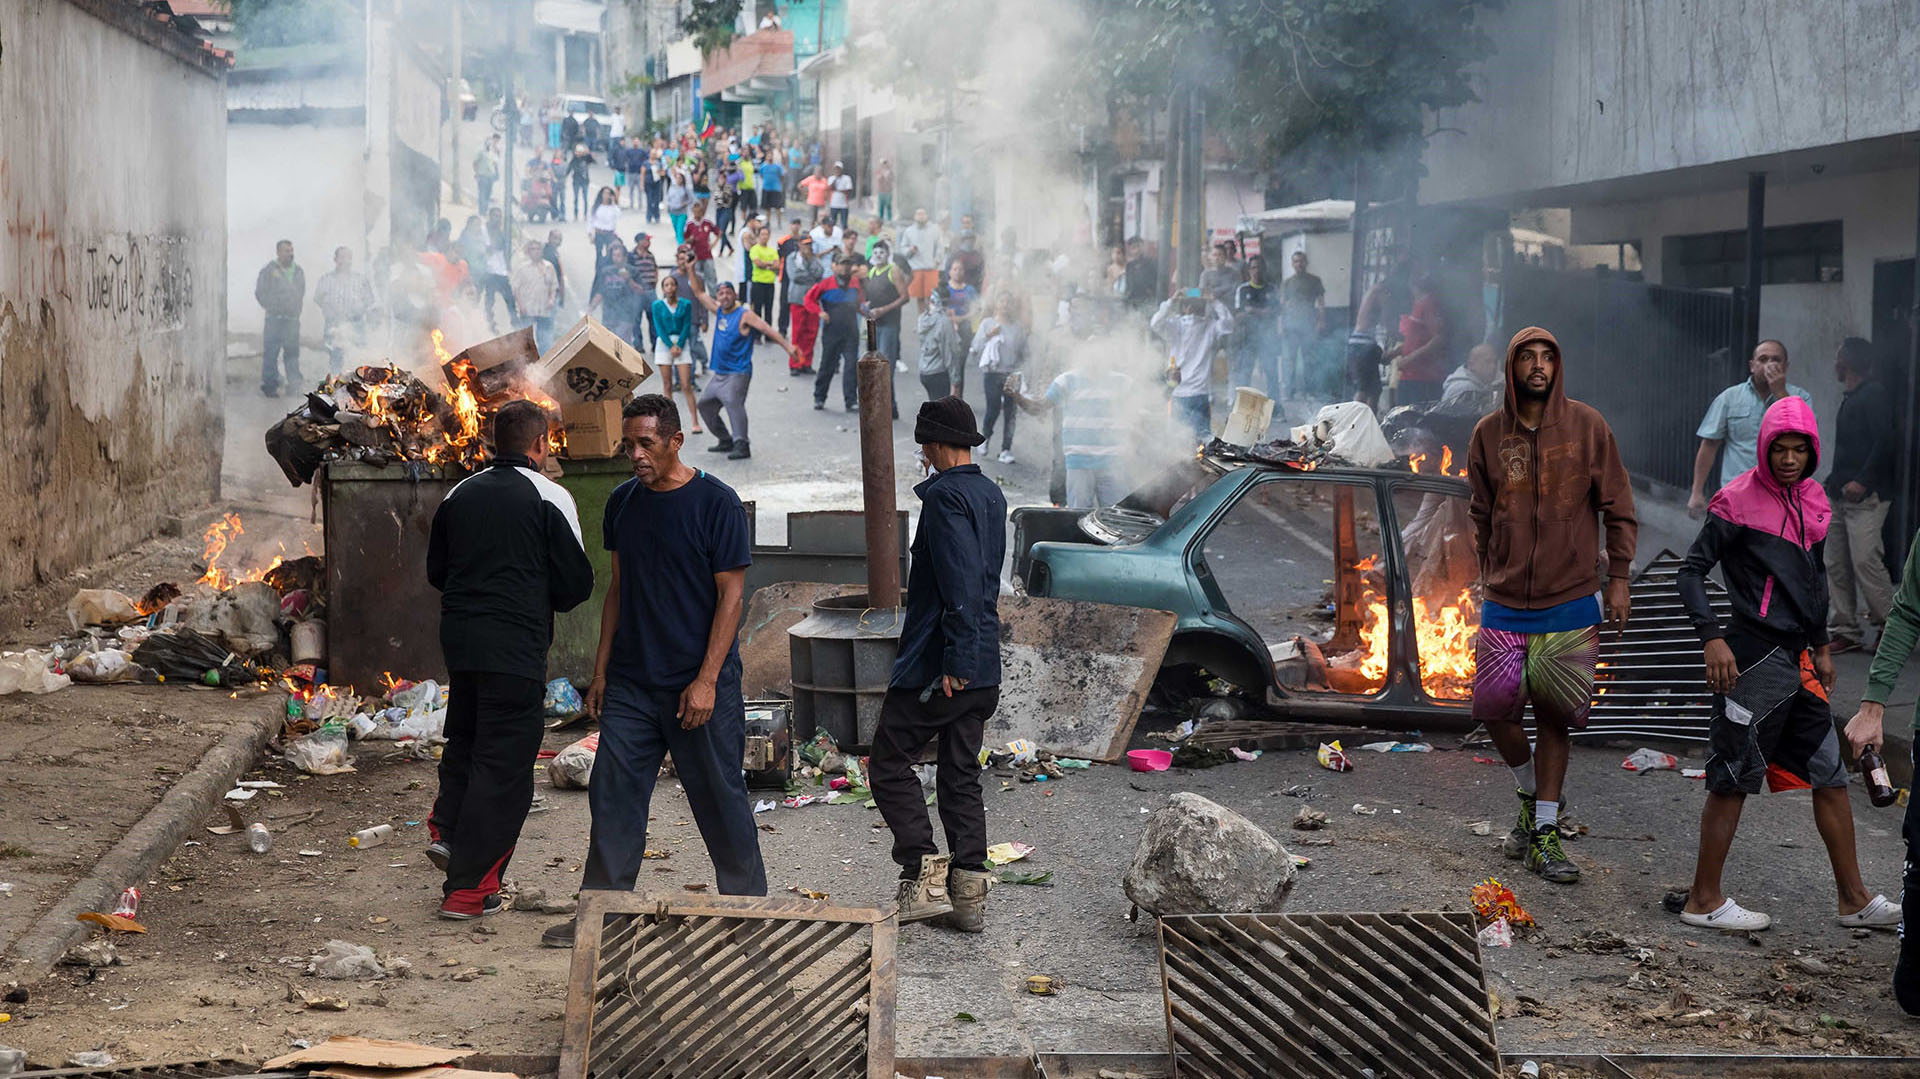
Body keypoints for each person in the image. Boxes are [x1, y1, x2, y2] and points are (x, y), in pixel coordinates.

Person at [542, 394, 768, 948]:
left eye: (646, 443)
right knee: (613, 796)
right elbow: (617, 589)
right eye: (628, 444)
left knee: (719, 796)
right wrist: (600, 672)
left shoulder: (717, 504)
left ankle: (746, 912)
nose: (635, 455)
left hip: (698, 684)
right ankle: (604, 915)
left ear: (674, 441)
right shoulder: (623, 503)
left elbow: (731, 598)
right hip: (634, 686)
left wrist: (707, 680)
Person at [1675, 396, 1898, 933]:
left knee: (1829, 773)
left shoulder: (1813, 499)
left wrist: (1821, 645)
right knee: (1732, 775)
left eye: (1801, 449)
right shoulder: (1735, 501)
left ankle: (1855, 900)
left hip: (1799, 662)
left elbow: (1814, 579)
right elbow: (1691, 572)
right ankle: (1704, 899)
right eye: (1782, 449)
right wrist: (1712, 639)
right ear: (1764, 448)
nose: (1791, 459)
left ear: (1812, 453)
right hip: (1749, 659)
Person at [1467, 326, 1636, 885]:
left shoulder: (1589, 427)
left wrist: (1617, 577)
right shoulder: (1489, 434)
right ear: (1512, 368)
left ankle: (1544, 833)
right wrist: (1487, 570)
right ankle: (1531, 791)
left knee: (1556, 716)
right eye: (1527, 358)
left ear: (1557, 367)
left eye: (1547, 357)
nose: (1538, 366)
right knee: (1493, 707)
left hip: (1570, 599)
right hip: (1505, 597)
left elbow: (1618, 506)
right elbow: (1481, 513)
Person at [426, 400, 595, 919]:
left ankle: (448, 831)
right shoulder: (551, 496)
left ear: (492, 442)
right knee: (504, 763)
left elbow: (437, 571)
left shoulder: (458, 493)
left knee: (468, 738)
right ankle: (470, 890)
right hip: (515, 650)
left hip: (461, 644)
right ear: (542, 444)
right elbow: (576, 586)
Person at [869, 396, 1008, 930]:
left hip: (943, 665)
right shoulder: (990, 493)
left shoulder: (946, 499)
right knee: (959, 772)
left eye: (923, 444)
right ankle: (968, 893)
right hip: (982, 663)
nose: (922, 453)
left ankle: (923, 874)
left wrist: (954, 660)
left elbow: (960, 583)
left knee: (887, 761)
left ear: (932, 444)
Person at [1825, 337, 1898, 653]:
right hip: (1840, 496)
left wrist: (1863, 481)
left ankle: (1894, 626)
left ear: (1848, 362)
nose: (1835, 363)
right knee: (1836, 562)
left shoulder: (1874, 395)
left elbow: (1885, 444)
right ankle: (1845, 629)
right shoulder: (1851, 397)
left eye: (1838, 357)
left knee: (1866, 559)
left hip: (1867, 497)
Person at [1688, 340, 1812, 517]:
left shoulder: (1800, 398)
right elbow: (1709, 445)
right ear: (1752, 366)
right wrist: (1696, 492)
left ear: (1785, 366)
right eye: (1763, 359)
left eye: (1776, 360)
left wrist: (1780, 393)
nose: (1769, 365)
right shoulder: (1729, 398)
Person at [685, 275, 802, 461]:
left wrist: (788, 348)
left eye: (728, 293)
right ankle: (726, 440)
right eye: (721, 293)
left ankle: (742, 444)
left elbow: (766, 329)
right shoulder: (720, 311)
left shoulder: (744, 314)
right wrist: (691, 267)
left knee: (732, 402)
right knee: (705, 405)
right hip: (720, 373)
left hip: (738, 372)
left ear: (735, 295)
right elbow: (698, 292)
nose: (724, 296)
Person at [1006, 355, 1133, 509]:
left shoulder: (1123, 382)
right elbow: (1039, 408)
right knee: (1079, 518)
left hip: (1113, 462)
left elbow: (1140, 414)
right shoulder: (1066, 381)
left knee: (1115, 519)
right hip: (1079, 461)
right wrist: (1017, 396)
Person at [1149, 288, 1233, 444]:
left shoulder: (1175, 325)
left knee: (1177, 444)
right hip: (1199, 394)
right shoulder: (1210, 326)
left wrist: (1171, 301)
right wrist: (1214, 301)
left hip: (1178, 393)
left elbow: (1155, 323)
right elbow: (1228, 323)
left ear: (1185, 308)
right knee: (1202, 442)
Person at [971, 293, 1029, 464]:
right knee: (993, 408)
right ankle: (985, 438)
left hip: (1011, 373)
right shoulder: (987, 323)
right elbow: (975, 347)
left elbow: (1024, 352)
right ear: (996, 304)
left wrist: (1023, 372)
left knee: (1011, 412)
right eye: (1002, 301)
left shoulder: (1017, 327)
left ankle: (1006, 449)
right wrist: (988, 335)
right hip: (992, 372)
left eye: (1008, 302)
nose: (1005, 305)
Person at [805, 253, 866, 412]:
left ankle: (851, 401)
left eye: (848, 264)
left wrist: (867, 312)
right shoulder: (825, 284)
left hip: (851, 331)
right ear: (835, 266)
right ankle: (819, 397)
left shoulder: (855, 283)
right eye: (842, 264)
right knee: (827, 365)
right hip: (832, 331)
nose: (845, 267)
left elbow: (861, 303)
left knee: (852, 366)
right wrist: (819, 312)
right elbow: (808, 300)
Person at [650, 273, 702, 434]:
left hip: (681, 342)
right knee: (667, 385)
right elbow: (658, 328)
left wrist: (678, 345)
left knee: (686, 385)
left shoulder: (685, 304)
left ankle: (695, 421)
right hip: (664, 344)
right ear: (663, 288)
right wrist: (669, 345)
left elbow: (687, 325)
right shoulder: (657, 305)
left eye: (672, 284)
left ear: (676, 287)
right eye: (667, 285)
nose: (670, 288)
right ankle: (670, 423)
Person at [313, 245, 376, 375]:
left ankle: (358, 388)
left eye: (347, 257)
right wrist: (330, 310)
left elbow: (369, 299)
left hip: (356, 324)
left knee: (358, 357)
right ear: (335, 259)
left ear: (351, 260)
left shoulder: (360, 279)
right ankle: (337, 385)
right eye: (341, 257)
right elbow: (318, 298)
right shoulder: (326, 279)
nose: (344, 260)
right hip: (334, 324)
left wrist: (359, 309)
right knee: (336, 357)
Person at [255, 239, 305, 397]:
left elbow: (301, 292)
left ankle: (294, 385)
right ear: (278, 252)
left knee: (292, 353)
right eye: (286, 251)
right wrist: (273, 307)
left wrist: (295, 309)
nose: (290, 254)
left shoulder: (298, 271)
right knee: (271, 352)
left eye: (291, 250)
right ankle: (270, 386)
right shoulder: (268, 271)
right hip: (274, 319)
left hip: (292, 319)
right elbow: (260, 292)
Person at [1387, 274, 1448, 405]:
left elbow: (1439, 338)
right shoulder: (1418, 304)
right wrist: (1395, 353)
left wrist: (1410, 358)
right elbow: (1416, 341)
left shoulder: (1429, 303)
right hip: (1410, 375)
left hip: (1423, 378)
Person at [1277, 250, 1325, 400]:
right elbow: (1282, 306)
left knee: (1309, 359)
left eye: (1301, 261)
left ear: (1306, 263)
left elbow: (1321, 303)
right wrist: (1280, 324)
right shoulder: (1287, 283)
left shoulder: (1315, 280)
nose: (1299, 264)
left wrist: (1321, 321)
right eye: (1296, 261)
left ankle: (1309, 391)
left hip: (1308, 325)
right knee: (1288, 360)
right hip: (1291, 326)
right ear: (1292, 264)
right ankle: (1288, 392)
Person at [1231, 255, 1280, 399]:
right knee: (1244, 376)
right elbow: (1238, 316)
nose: (1256, 271)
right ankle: (1242, 409)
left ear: (1264, 269)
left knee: (1272, 375)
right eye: (1253, 267)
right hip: (1247, 339)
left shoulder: (1272, 289)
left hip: (1268, 340)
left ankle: (1276, 408)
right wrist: (1263, 313)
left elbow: (1276, 312)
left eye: (1259, 267)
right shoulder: (1242, 289)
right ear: (1249, 270)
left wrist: (1252, 311)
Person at [861, 240, 913, 372]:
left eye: (882, 252)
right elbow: (870, 295)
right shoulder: (871, 272)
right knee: (873, 361)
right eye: (876, 253)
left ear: (888, 254)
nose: (878, 255)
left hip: (889, 323)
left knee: (885, 362)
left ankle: (886, 391)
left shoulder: (893, 271)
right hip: (873, 323)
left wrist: (884, 309)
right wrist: (866, 305)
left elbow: (905, 297)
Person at [785, 235, 825, 375]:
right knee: (797, 333)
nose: (808, 247)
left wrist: (809, 264)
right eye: (805, 244)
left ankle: (806, 362)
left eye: (809, 244)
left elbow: (820, 272)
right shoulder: (792, 258)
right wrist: (811, 277)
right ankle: (795, 363)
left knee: (811, 333)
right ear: (799, 244)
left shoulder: (814, 259)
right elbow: (795, 276)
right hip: (798, 299)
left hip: (813, 301)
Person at [916, 287, 964, 401]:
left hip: (925, 371)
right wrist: (955, 382)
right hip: (939, 373)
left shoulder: (923, 319)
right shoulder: (944, 322)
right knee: (940, 413)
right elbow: (950, 353)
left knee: (934, 407)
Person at [511, 239, 559, 350]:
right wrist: (520, 305)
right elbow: (515, 289)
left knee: (545, 339)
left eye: (538, 249)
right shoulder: (522, 268)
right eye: (533, 249)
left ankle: (544, 362)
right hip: (528, 308)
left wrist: (552, 299)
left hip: (544, 308)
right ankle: (525, 363)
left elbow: (554, 286)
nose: (536, 252)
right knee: (526, 339)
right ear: (528, 251)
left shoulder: (549, 267)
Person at [1439, 342, 1504, 416]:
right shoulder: (1463, 390)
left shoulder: (1484, 380)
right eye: (1488, 362)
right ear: (1471, 365)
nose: (1493, 367)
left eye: (1495, 362)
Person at [901, 208, 945, 304]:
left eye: (923, 214)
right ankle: (921, 318)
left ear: (927, 216)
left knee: (932, 298)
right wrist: (910, 250)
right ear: (914, 216)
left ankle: (931, 317)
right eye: (918, 214)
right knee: (919, 298)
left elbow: (940, 247)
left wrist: (936, 261)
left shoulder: (935, 229)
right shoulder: (909, 231)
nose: (921, 216)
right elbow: (903, 248)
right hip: (916, 269)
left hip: (931, 268)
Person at [627, 232, 660, 348]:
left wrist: (655, 280)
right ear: (640, 242)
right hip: (637, 293)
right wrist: (634, 286)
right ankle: (638, 344)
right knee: (636, 319)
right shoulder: (631, 256)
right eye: (646, 240)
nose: (649, 243)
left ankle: (655, 343)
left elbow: (655, 268)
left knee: (654, 318)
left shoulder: (650, 255)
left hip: (650, 291)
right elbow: (628, 273)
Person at [747, 226, 781, 334]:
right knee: (757, 310)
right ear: (758, 236)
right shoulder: (755, 249)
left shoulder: (772, 251)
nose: (764, 237)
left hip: (770, 283)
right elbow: (758, 263)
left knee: (769, 310)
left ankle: (768, 334)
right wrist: (769, 264)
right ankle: (756, 334)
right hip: (758, 282)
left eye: (766, 234)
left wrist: (766, 264)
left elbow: (777, 266)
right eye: (762, 234)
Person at [683, 199, 721, 291]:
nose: (698, 213)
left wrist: (713, 244)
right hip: (695, 256)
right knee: (698, 279)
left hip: (707, 255)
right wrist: (690, 240)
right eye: (695, 211)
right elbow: (685, 240)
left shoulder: (707, 222)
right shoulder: (690, 224)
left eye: (699, 211)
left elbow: (719, 232)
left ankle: (713, 297)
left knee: (711, 277)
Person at [1123, 238, 1159, 310]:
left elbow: (1156, 282)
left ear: (1143, 247)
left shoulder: (1152, 262)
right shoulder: (1129, 266)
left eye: (1138, 246)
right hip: (1132, 302)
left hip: (1147, 301)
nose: (1137, 250)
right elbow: (1128, 285)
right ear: (1130, 250)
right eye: (1133, 248)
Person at [589, 186, 621, 263]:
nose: (606, 195)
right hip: (599, 233)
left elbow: (618, 215)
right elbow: (591, 220)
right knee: (599, 254)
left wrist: (614, 203)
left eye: (608, 194)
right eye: (605, 193)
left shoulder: (612, 207)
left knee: (610, 253)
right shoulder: (597, 206)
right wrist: (590, 233)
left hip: (609, 233)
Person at [542, 230, 568, 318]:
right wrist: (561, 295)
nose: (557, 241)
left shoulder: (554, 253)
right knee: (547, 323)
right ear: (549, 238)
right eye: (555, 238)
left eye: (559, 239)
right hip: (548, 294)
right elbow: (559, 277)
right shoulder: (549, 254)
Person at [665, 165, 693, 243]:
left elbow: (691, 199)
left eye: (680, 178)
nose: (678, 180)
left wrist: (685, 203)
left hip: (682, 212)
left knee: (680, 230)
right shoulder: (672, 187)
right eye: (677, 178)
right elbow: (668, 198)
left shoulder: (685, 188)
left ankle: (681, 246)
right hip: (673, 211)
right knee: (676, 229)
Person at [567, 144, 595, 221]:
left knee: (585, 198)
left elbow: (593, 160)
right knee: (576, 198)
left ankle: (585, 214)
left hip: (585, 181)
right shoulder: (574, 160)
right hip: (576, 181)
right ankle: (575, 214)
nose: (579, 153)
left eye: (580, 152)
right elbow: (568, 170)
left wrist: (588, 153)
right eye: (578, 152)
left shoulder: (586, 159)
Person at [758, 153, 786, 228]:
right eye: (768, 156)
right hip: (766, 188)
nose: (770, 157)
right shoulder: (763, 166)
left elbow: (782, 176)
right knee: (768, 207)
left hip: (776, 189)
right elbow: (761, 175)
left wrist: (779, 184)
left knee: (778, 207)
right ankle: (768, 222)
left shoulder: (778, 166)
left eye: (771, 156)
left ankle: (779, 222)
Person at [473, 135, 499, 216]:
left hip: (490, 177)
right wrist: (477, 173)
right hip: (482, 176)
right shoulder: (481, 152)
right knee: (482, 194)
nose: (489, 143)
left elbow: (495, 163)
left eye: (490, 142)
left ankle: (485, 210)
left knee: (488, 194)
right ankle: (482, 211)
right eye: (488, 141)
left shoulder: (491, 153)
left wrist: (496, 174)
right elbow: (475, 163)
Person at [827, 161, 854, 229]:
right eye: (836, 169)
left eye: (839, 169)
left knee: (844, 224)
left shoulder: (847, 178)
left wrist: (838, 190)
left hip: (844, 205)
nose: (837, 170)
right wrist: (836, 179)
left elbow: (848, 190)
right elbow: (830, 188)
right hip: (833, 204)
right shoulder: (831, 178)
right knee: (832, 223)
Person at [874, 158, 894, 223]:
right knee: (881, 206)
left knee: (888, 206)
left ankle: (889, 220)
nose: (884, 164)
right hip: (881, 191)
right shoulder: (879, 171)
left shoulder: (890, 171)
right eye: (883, 163)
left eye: (885, 163)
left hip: (888, 191)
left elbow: (893, 179)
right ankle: (881, 219)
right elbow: (878, 179)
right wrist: (883, 175)